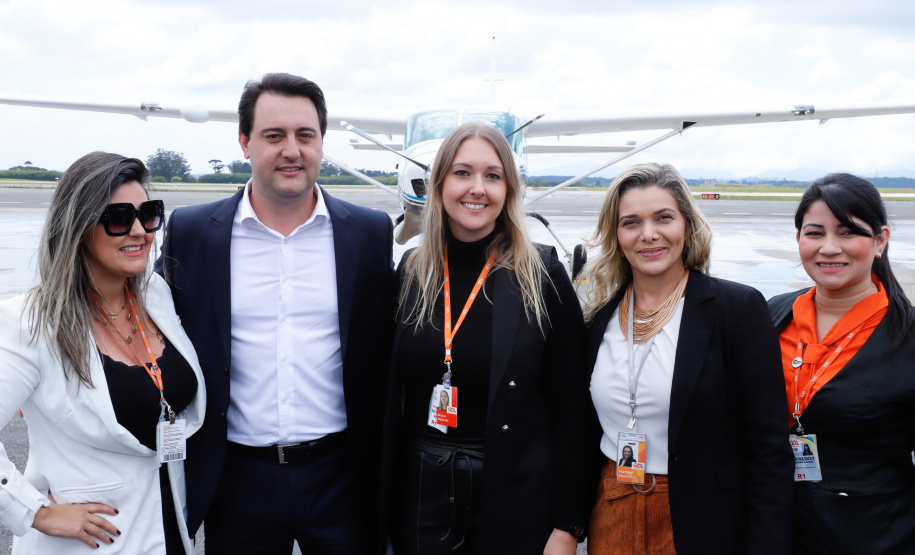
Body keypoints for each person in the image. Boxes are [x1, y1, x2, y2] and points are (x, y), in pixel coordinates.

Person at [156, 73, 395, 554]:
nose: (292, 150)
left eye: (306, 135)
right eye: (274, 135)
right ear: (245, 142)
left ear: (321, 143)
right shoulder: (195, 232)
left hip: (341, 475)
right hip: (238, 477)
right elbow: (146, 324)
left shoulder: (369, 233)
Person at [385, 122, 592, 555]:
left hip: (515, 494)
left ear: (508, 190)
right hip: (422, 493)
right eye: (462, 173)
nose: (477, 188)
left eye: (492, 176)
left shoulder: (543, 275)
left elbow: (572, 407)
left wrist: (567, 526)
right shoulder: (411, 272)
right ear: (439, 182)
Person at [580, 162, 793, 554]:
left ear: (688, 227)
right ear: (616, 235)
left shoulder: (736, 308)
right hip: (612, 509)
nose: (649, 234)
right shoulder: (600, 319)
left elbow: (769, 449)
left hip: (700, 521)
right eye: (631, 222)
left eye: (664, 217)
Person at [0, 152, 205, 553]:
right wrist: (35, 512)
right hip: (93, 542)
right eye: (117, 218)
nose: (138, 231)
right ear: (77, 228)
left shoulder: (155, 295)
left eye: (148, 214)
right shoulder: (30, 322)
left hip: (168, 529)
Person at [768, 173, 915, 553]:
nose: (829, 248)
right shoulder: (770, 315)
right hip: (775, 527)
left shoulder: (907, 336)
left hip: (875, 535)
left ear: (880, 240)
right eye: (814, 233)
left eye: (848, 232)